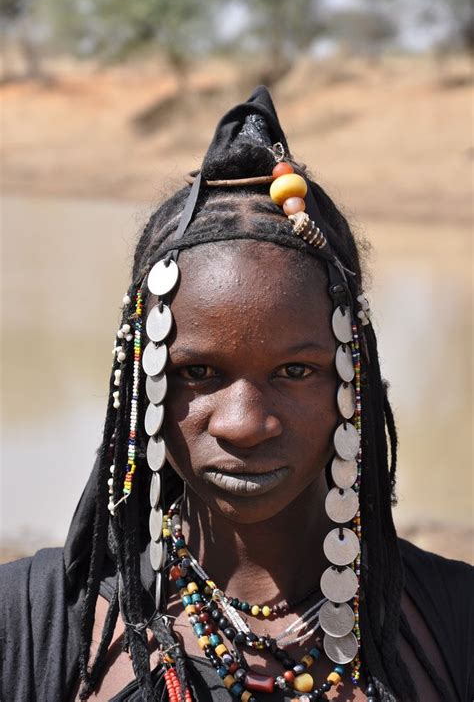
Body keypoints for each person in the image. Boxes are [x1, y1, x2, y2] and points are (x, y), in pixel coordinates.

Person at [0, 87, 472, 702]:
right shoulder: (30, 632)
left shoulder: (453, 627)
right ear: (144, 380)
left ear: (352, 380)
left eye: (296, 372)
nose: (246, 425)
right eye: (198, 373)